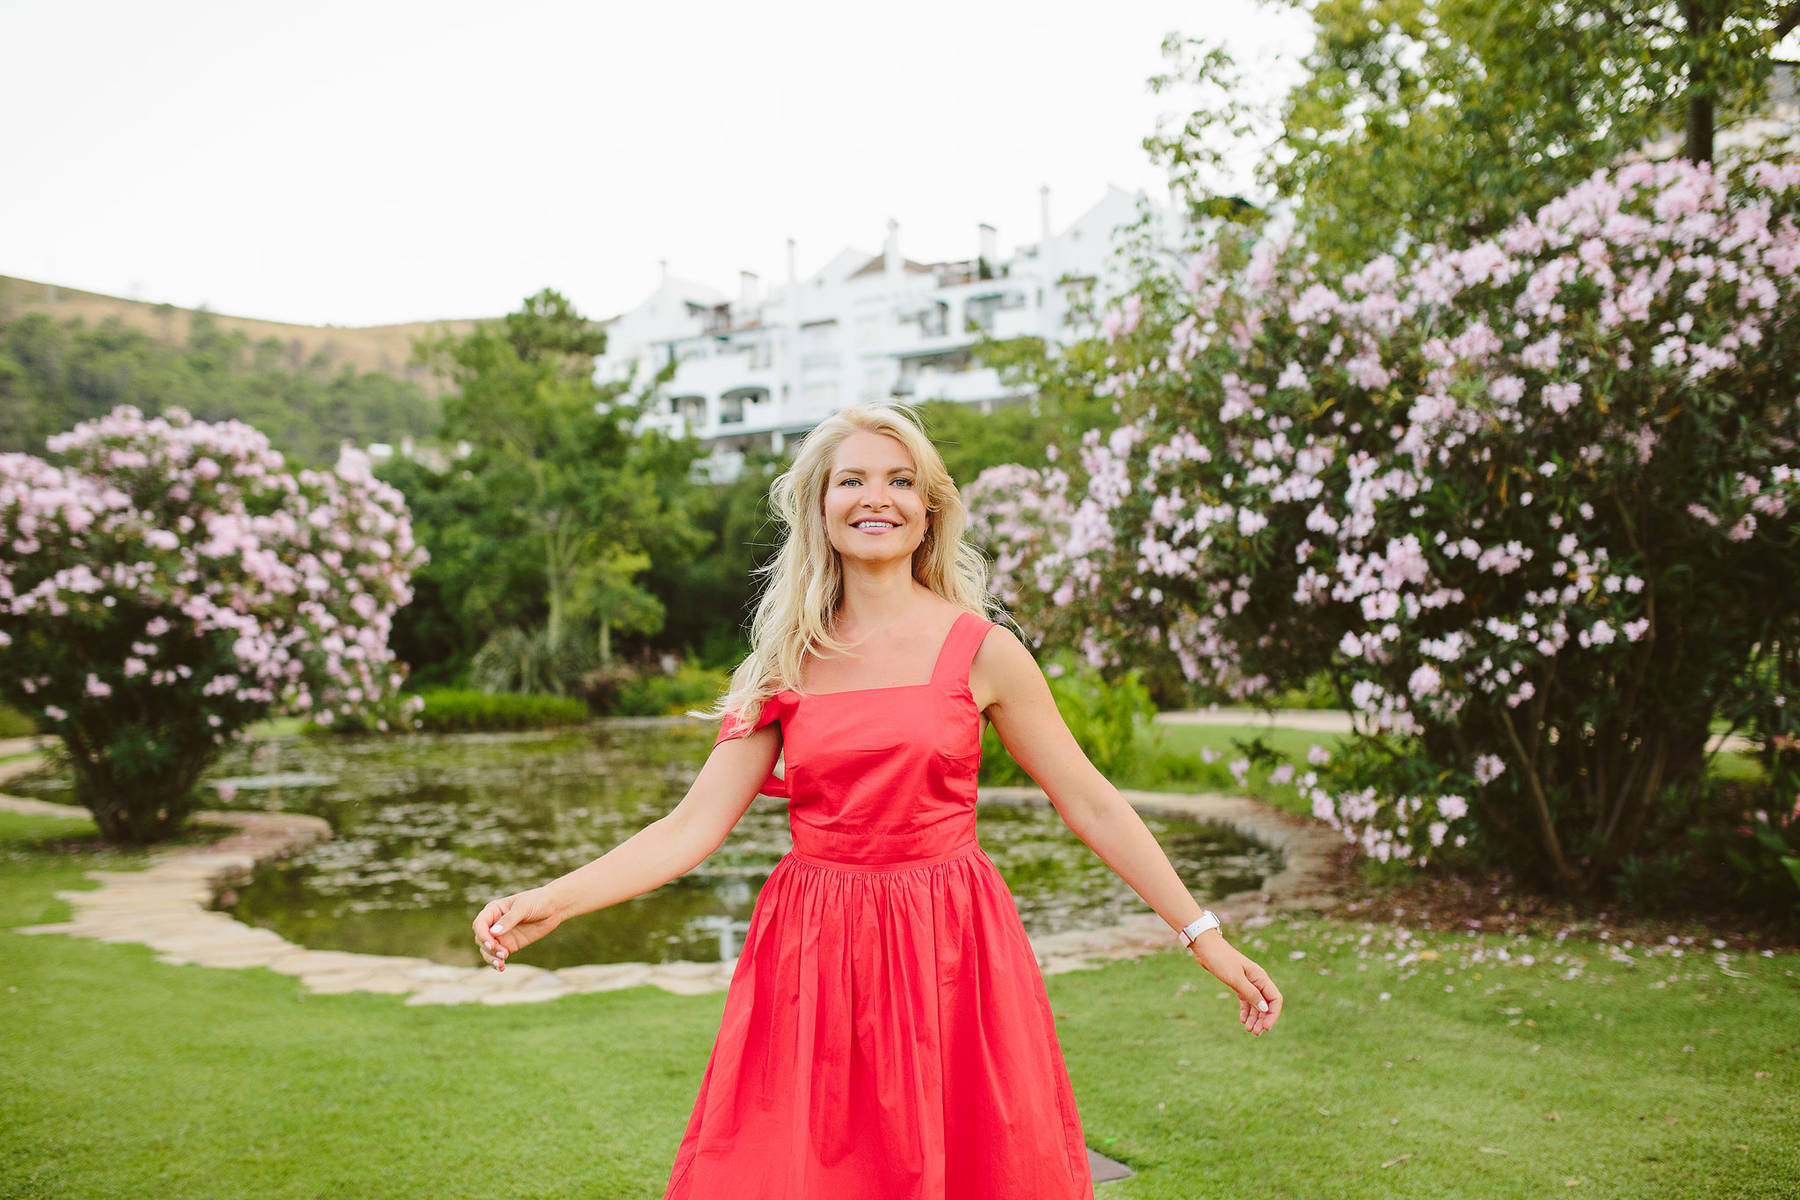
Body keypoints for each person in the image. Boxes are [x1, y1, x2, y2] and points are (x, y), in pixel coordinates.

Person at [471, 403, 1284, 1198]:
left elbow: (1092, 802)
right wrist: (554, 900)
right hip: (814, 952)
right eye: (850, 481)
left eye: (899, 481)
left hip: (952, 946)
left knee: (970, 1165)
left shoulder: (985, 651)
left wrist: (1202, 933)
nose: (875, 498)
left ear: (928, 511)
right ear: (820, 509)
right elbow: (691, 826)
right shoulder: (784, 661)